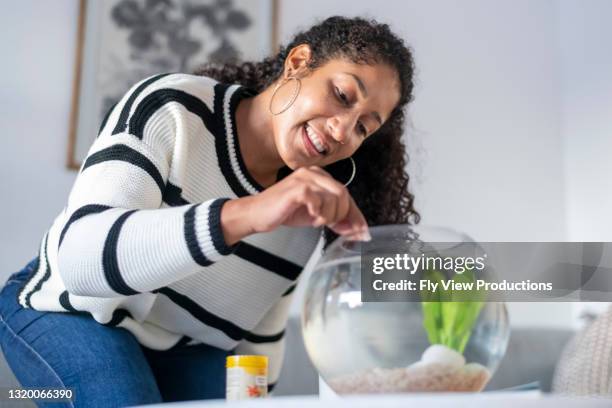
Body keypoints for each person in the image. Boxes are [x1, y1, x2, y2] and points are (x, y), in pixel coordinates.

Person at [0, 16, 419, 407]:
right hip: (67, 309)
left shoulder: (308, 206)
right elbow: (80, 262)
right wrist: (249, 214)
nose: (343, 130)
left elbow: (259, 336)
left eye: (365, 126)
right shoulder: (173, 108)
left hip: (180, 347)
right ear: (298, 63)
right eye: (343, 95)